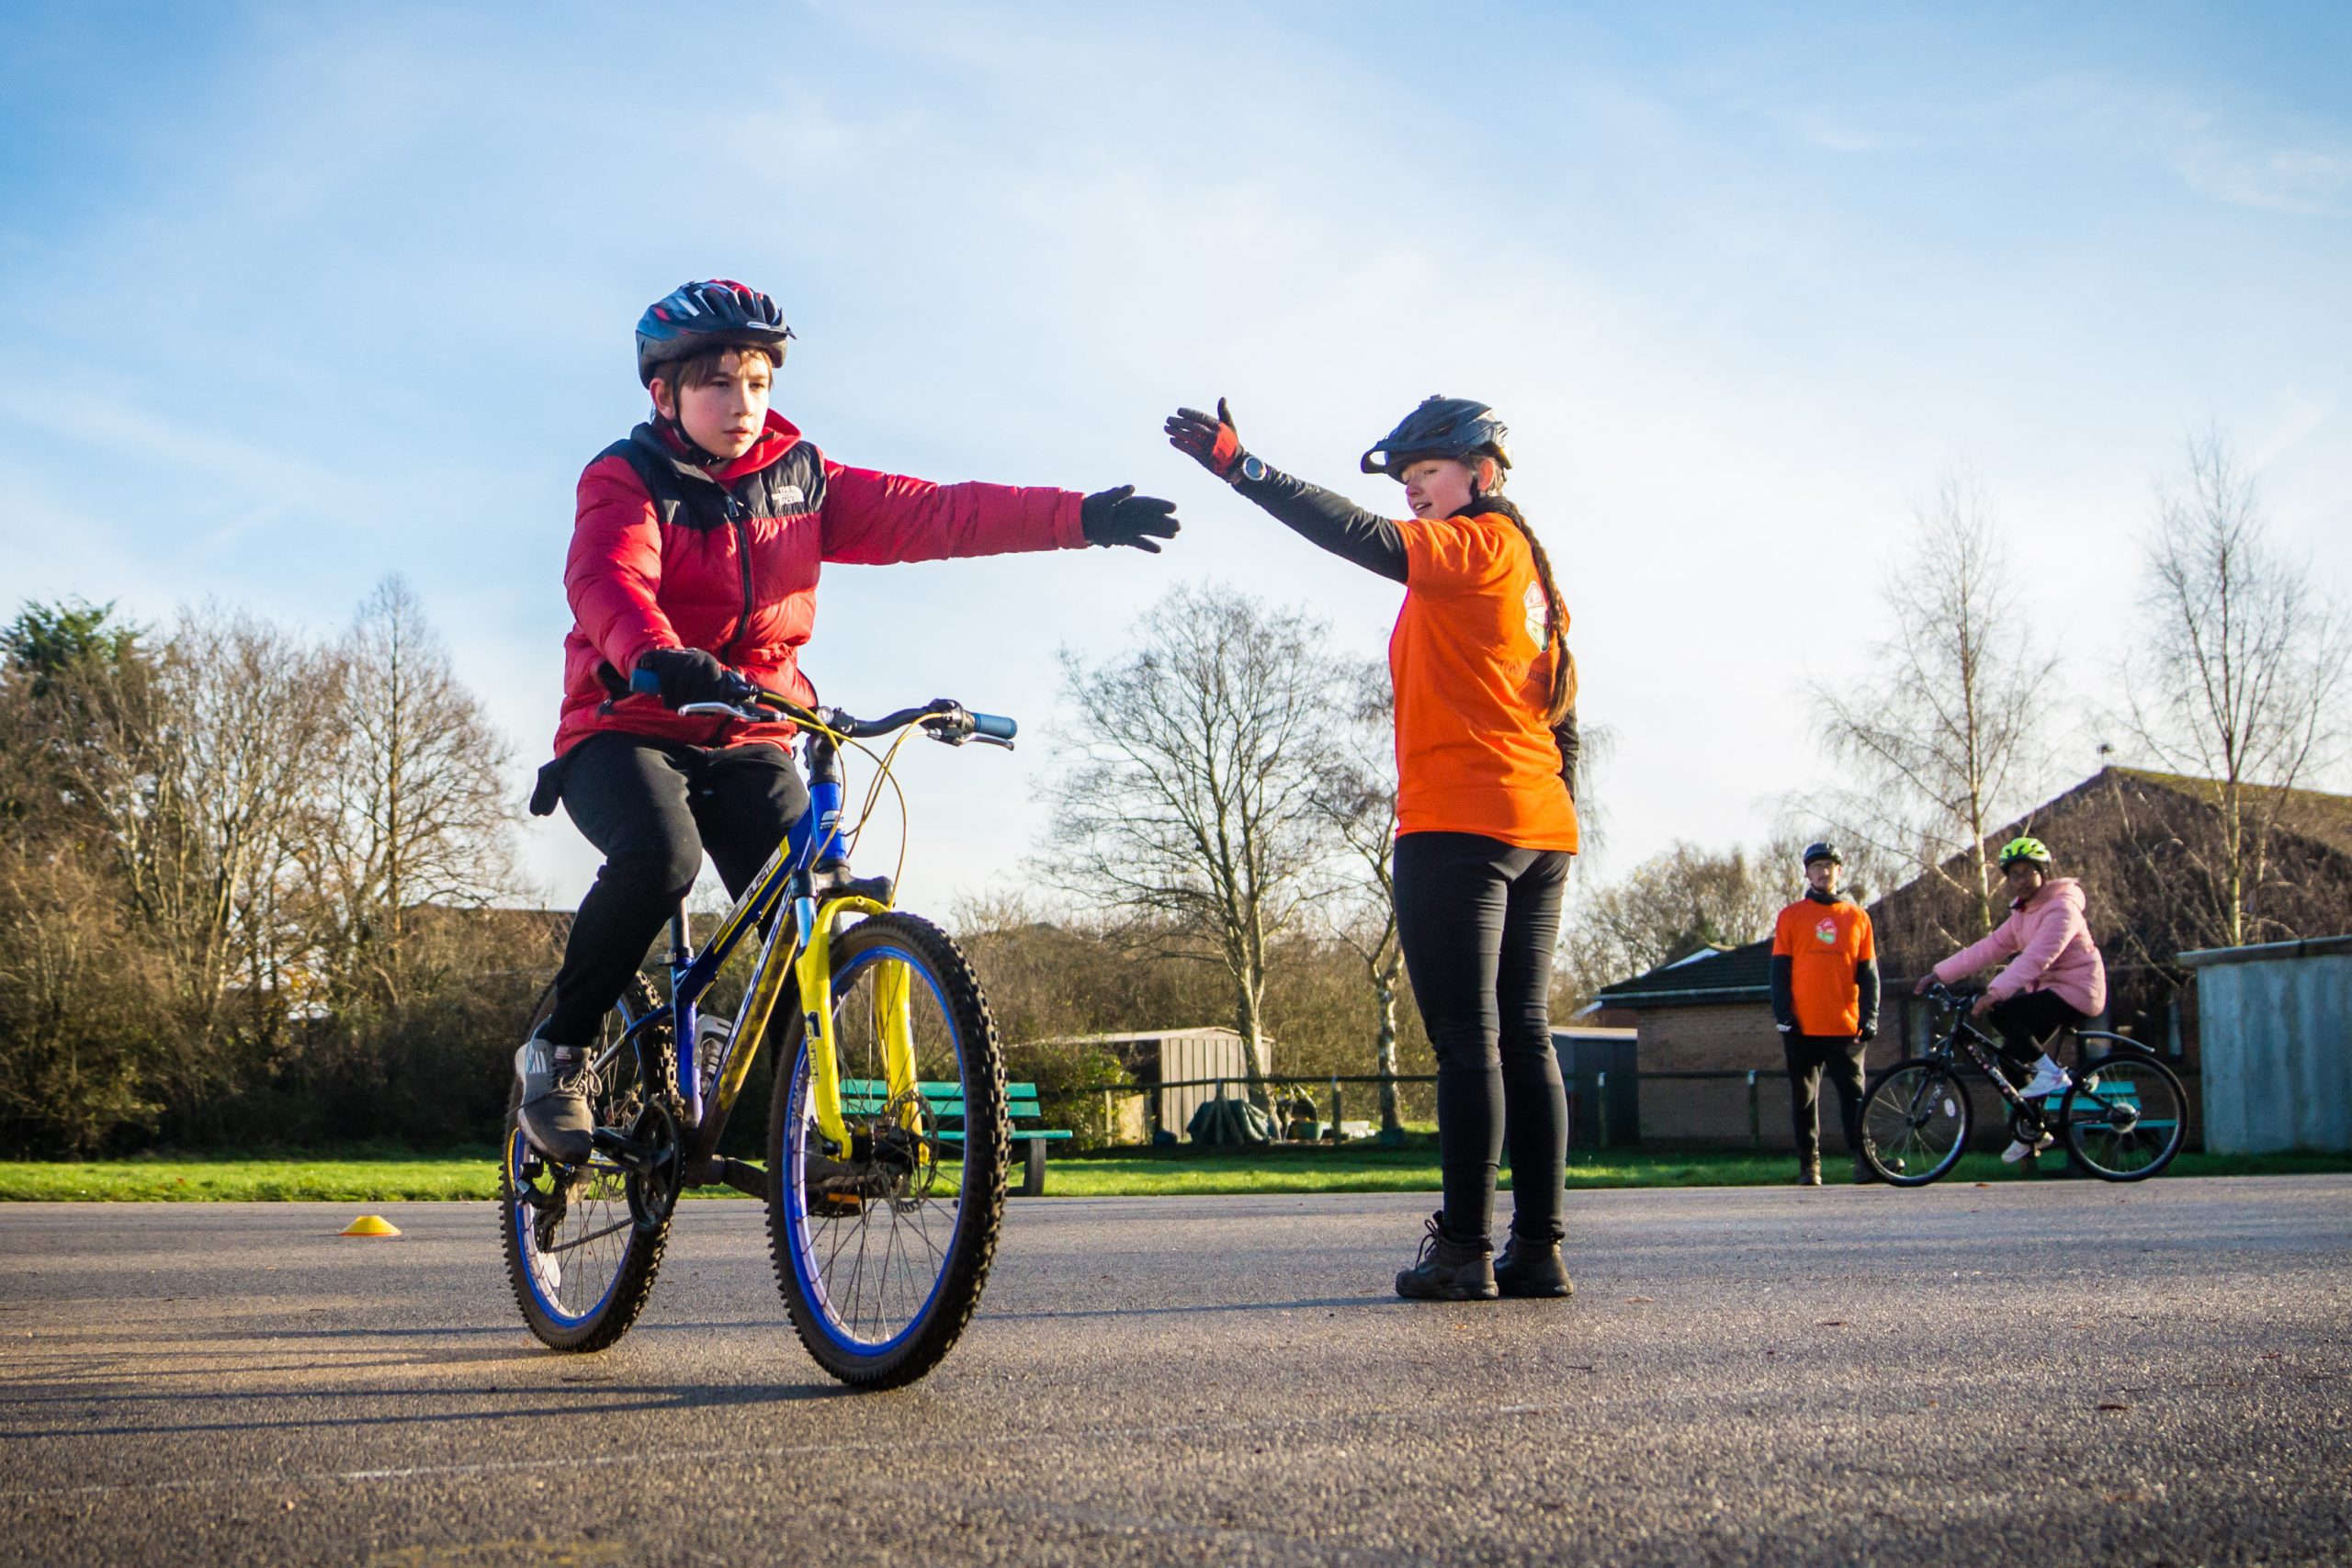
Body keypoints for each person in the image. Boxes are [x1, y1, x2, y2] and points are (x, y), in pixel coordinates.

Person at [517, 279, 1182, 1163]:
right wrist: (653, 654)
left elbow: (941, 512)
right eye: (717, 382)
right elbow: (608, 578)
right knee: (661, 858)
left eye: (758, 381)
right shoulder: (625, 477)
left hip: (753, 730)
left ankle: (786, 1105)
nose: (742, 403)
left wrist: (1083, 517)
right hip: (631, 720)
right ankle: (559, 1050)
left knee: (814, 927)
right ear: (664, 393)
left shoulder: (803, 480)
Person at [1167, 394, 1579, 1302]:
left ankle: (1464, 1249)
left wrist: (1246, 469)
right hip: (1538, 826)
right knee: (1523, 1033)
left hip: (1461, 824)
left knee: (1470, 1039)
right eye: (1404, 480)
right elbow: (1563, 719)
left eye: (1423, 473)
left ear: (1481, 473)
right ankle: (1538, 1250)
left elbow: (1358, 536)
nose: (1411, 493)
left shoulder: (1478, 548)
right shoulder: (1534, 580)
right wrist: (1555, 812)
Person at [1913, 835, 2109, 1163]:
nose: (2020, 880)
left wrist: (1995, 992)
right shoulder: (2022, 913)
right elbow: (1989, 947)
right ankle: (2034, 1130)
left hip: (2077, 990)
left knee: (2002, 1012)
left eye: (2027, 872)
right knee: (2010, 1060)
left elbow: (2037, 958)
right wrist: (1940, 973)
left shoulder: (2063, 908)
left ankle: (2052, 1075)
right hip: (2050, 991)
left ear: (2043, 872)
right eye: (2014, 875)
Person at [1770, 842, 1879, 1186]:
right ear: (1807, 872)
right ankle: (1810, 1166)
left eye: (1829, 865)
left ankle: (1864, 1161)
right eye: (1816, 866)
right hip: (1802, 1025)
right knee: (1804, 1098)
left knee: (1854, 1096)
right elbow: (1779, 972)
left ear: (1839, 872)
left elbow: (1869, 972)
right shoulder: (1791, 916)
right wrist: (1784, 1014)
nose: (1823, 872)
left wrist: (1870, 1015)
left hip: (1845, 1025)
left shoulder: (1857, 917)